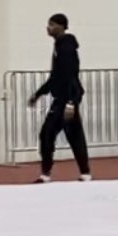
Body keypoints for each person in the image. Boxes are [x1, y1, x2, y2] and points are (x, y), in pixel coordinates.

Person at [28, 13, 91, 183]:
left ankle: (46, 174)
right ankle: (85, 173)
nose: (48, 27)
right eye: (48, 24)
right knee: (74, 135)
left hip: (66, 99)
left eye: (52, 24)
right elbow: (56, 76)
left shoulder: (67, 46)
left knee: (47, 134)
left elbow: (71, 74)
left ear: (62, 26)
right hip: (63, 98)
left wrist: (71, 102)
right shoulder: (59, 46)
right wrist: (39, 93)